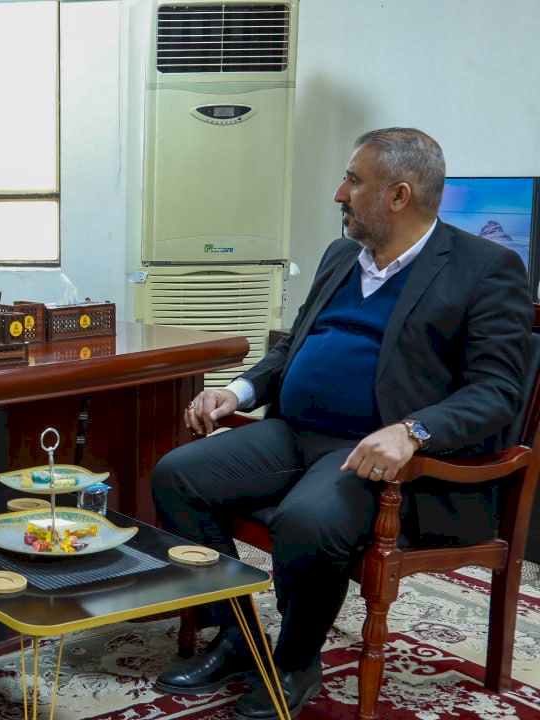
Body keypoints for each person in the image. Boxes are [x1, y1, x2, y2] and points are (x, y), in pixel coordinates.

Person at [151, 128, 531, 719]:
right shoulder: (339, 256)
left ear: (399, 195)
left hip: (376, 457)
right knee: (177, 475)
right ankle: (237, 637)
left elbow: (498, 390)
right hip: (294, 434)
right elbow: (293, 347)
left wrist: (412, 431)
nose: (339, 193)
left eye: (354, 180)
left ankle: (295, 661)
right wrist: (238, 390)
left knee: (308, 520)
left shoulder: (485, 269)